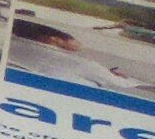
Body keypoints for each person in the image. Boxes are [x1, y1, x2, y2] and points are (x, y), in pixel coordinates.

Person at [8, 19, 149, 90]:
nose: (78, 42)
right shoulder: (82, 64)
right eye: (71, 38)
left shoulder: (11, 45)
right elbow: (122, 84)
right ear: (54, 39)